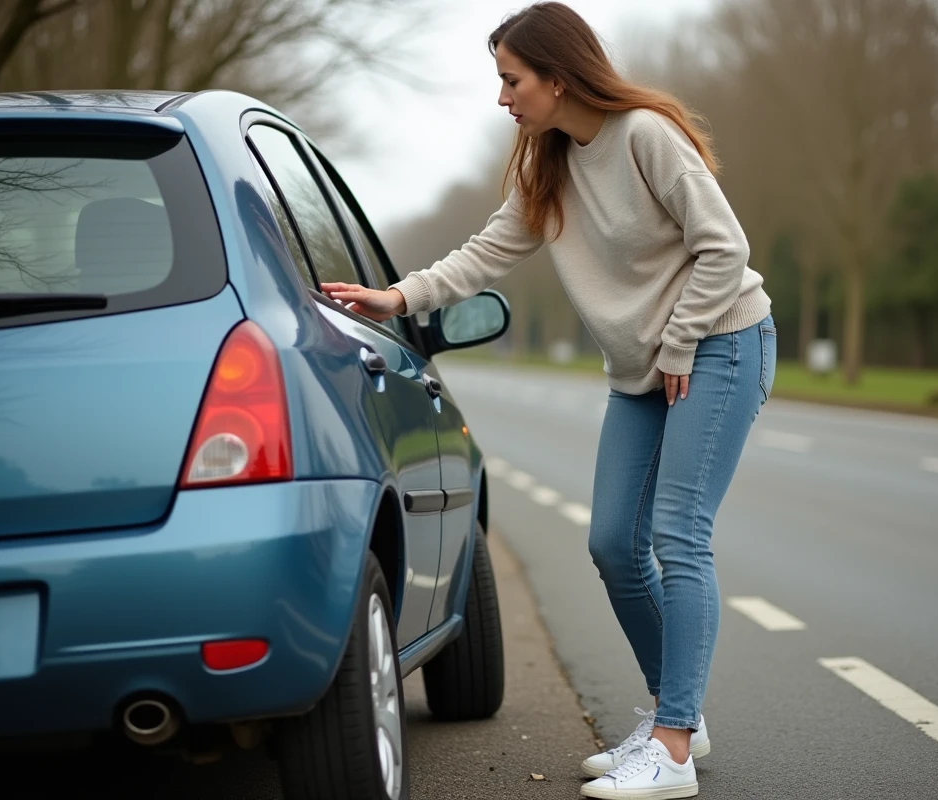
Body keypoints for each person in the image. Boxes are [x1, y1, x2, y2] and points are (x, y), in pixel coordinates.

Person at [320, 3, 776, 797]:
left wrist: (678, 342)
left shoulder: (644, 136)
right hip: (643, 370)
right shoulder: (550, 163)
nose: (502, 97)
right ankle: (684, 715)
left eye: (511, 79)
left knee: (678, 532)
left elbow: (723, 246)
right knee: (610, 545)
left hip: (720, 345)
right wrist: (398, 297)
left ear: (557, 79)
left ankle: (671, 747)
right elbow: (488, 251)